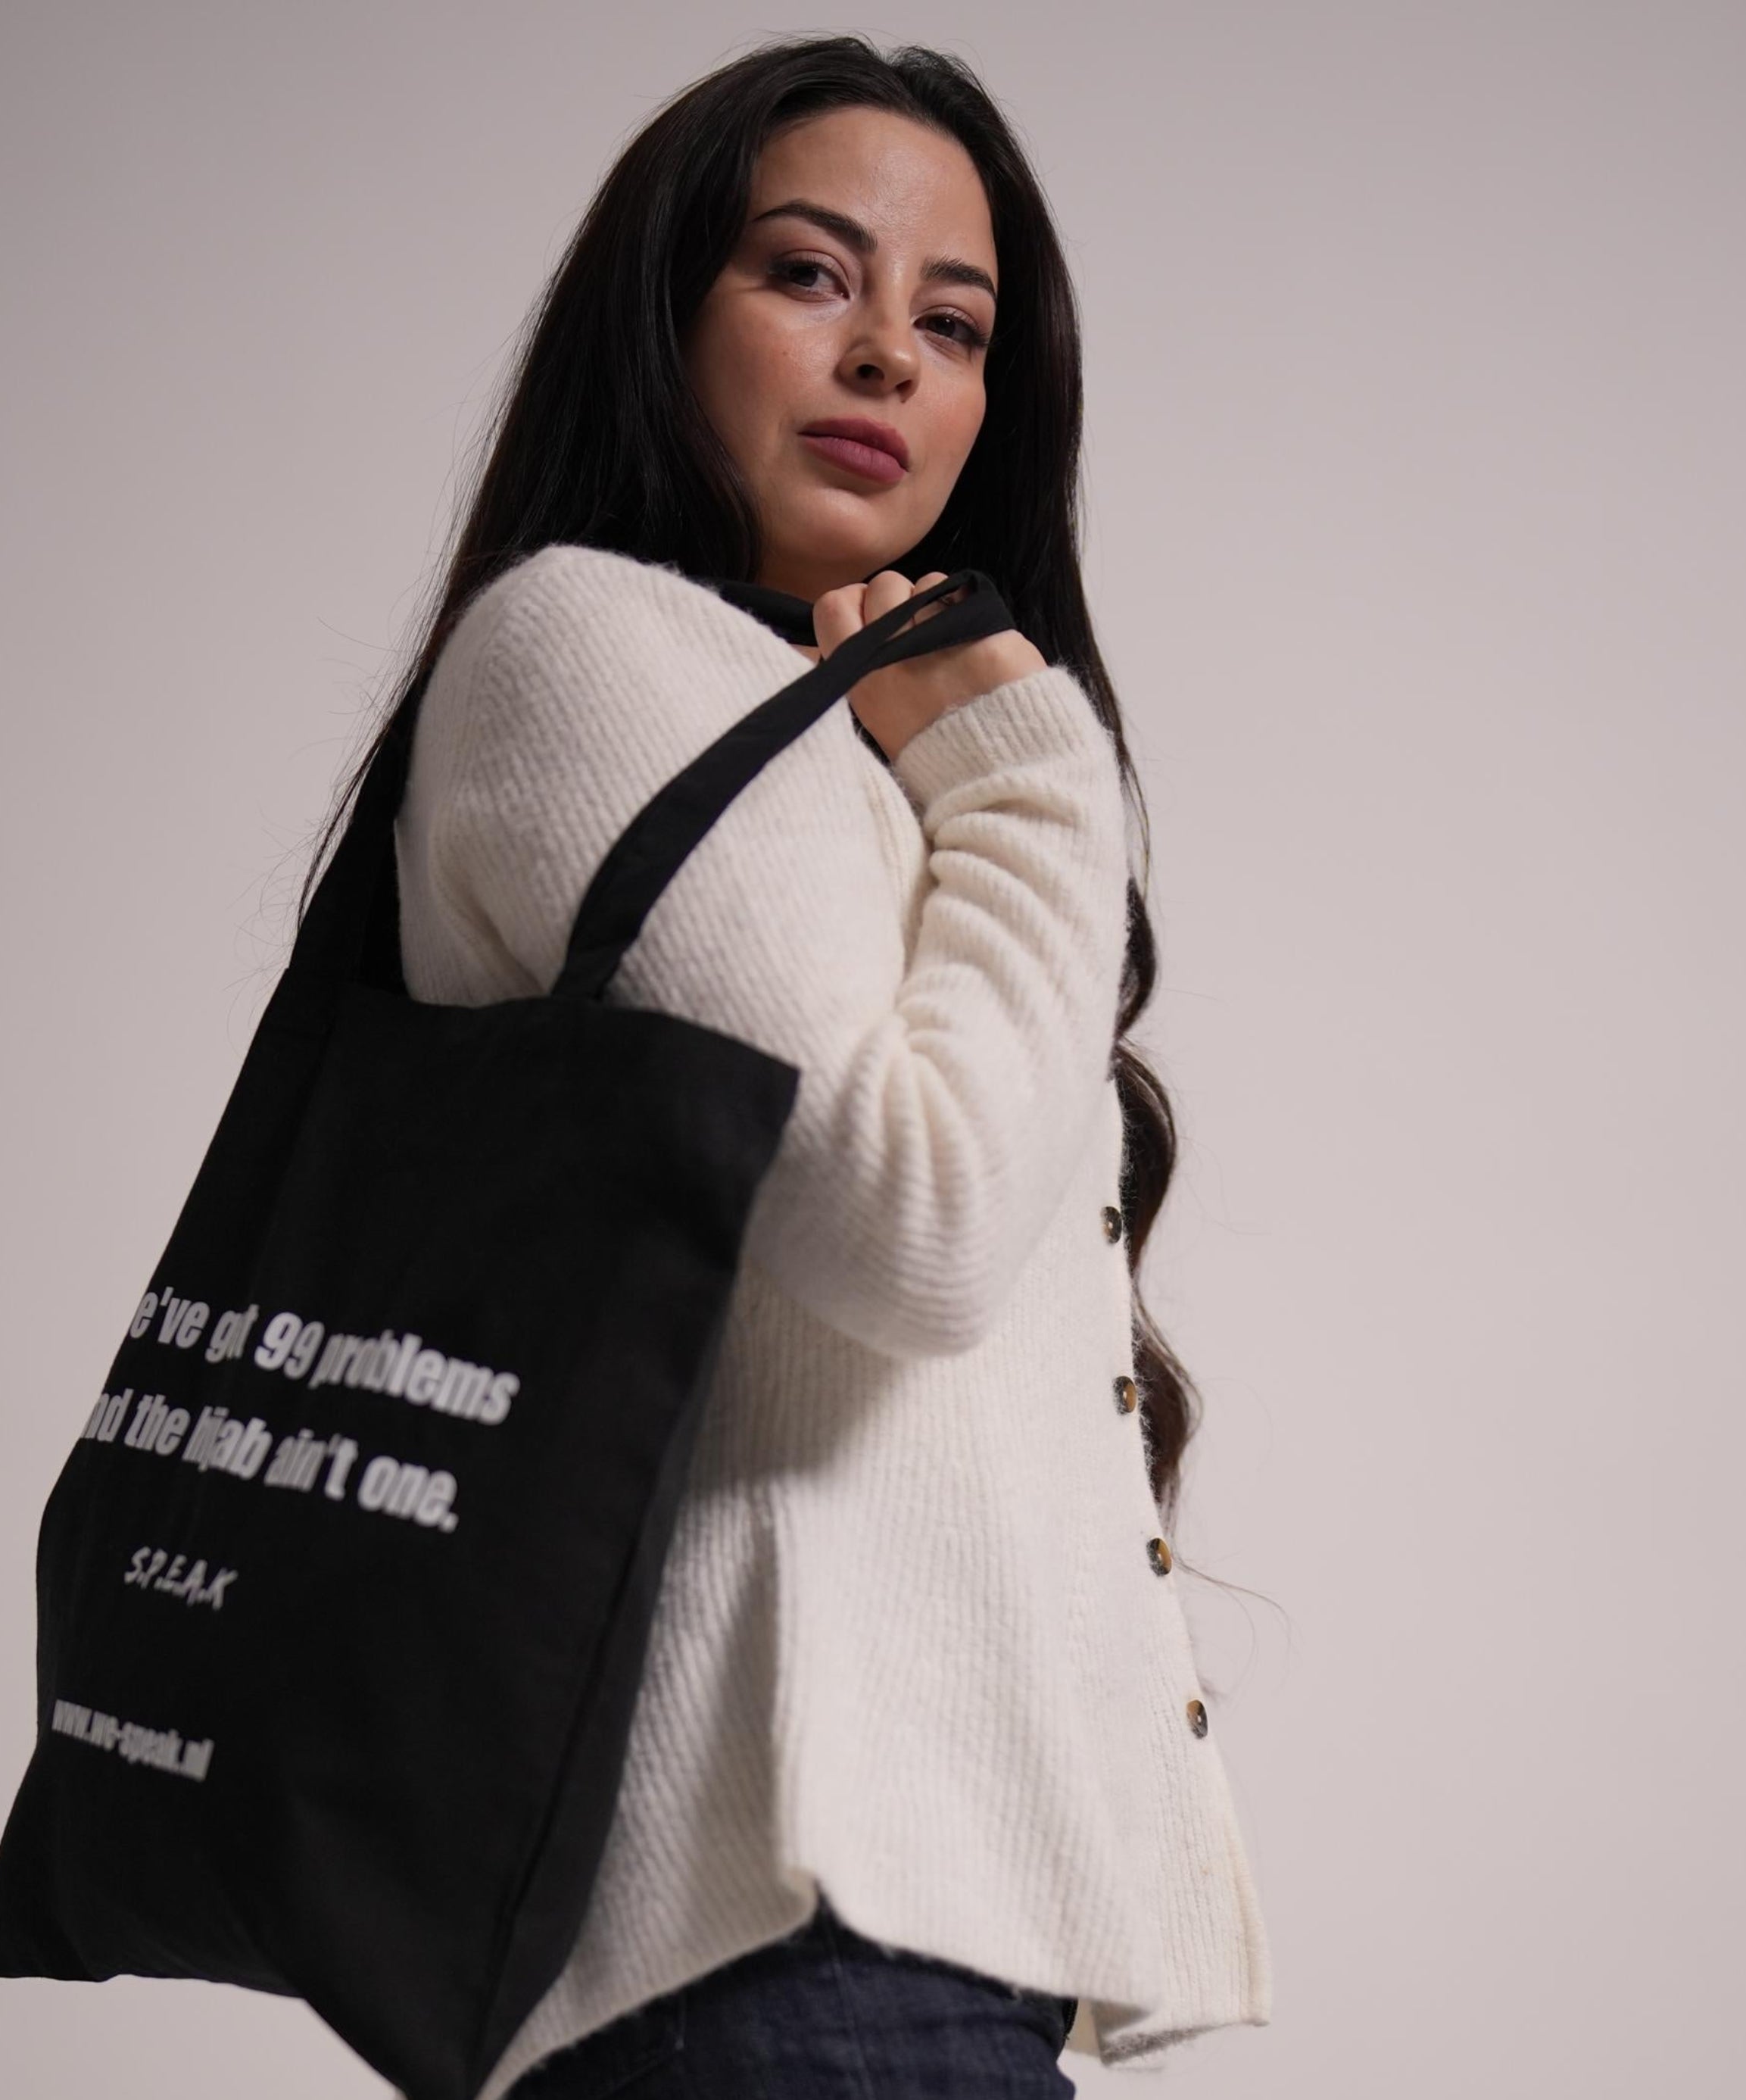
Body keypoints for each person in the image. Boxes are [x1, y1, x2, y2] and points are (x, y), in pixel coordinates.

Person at [304, 32, 1271, 2100]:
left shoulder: (861, 743)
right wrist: (1035, 779)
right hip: (779, 1947)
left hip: (894, 1955)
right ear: (668, 318)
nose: (889, 361)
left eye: (953, 320)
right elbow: (907, 1223)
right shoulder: (591, 650)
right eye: (809, 276)